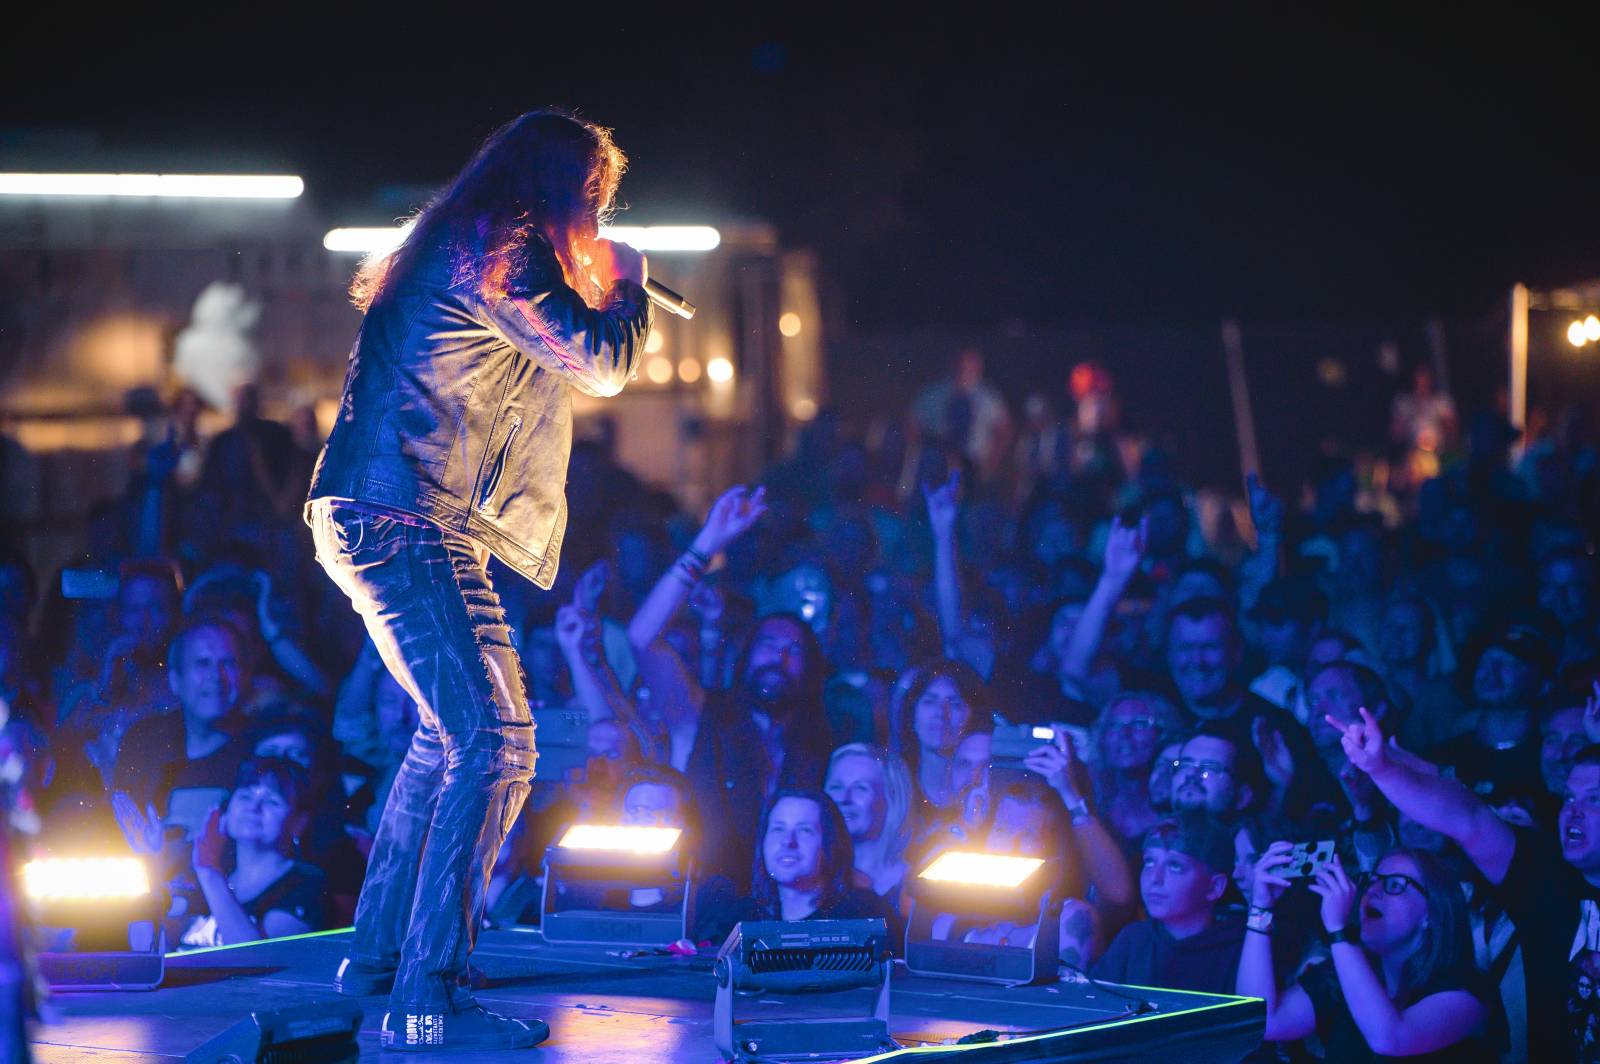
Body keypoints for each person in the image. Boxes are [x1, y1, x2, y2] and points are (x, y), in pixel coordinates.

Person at [307, 109, 651, 1051]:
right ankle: (432, 992)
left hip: (386, 512)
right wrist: (628, 286)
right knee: (496, 741)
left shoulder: (468, 238)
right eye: (596, 197)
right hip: (408, 516)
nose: (599, 214)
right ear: (564, 188)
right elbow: (601, 361)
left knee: (447, 734)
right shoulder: (501, 247)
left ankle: (380, 961)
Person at [1334, 702, 1600, 1061]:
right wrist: (1381, 769)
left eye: (1594, 799)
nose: (1574, 810)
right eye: (1569, 797)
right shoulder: (1549, 880)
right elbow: (1466, 815)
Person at [1239, 839, 1494, 1062]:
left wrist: (1338, 929)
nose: (1373, 891)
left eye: (1394, 884)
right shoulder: (1346, 977)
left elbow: (1390, 1038)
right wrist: (1261, 908)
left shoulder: (1467, 990)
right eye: (1371, 880)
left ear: (1431, 913)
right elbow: (1264, 1021)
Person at [111, 617, 248, 851]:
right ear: (175, 680)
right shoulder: (143, 742)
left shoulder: (260, 748)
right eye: (203, 663)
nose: (216, 675)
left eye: (228, 663)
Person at [167, 757, 328, 950]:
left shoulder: (305, 886)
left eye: (272, 801)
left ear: (299, 821)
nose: (253, 807)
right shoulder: (206, 877)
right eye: (245, 796)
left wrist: (209, 872)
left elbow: (256, 961)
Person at [695, 790, 892, 945]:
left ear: (830, 844)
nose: (788, 842)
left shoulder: (863, 915)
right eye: (778, 829)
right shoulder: (739, 917)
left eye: (805, 830)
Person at [1093, 813, 1244, 994]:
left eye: (1175, 866)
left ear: (1214, 887)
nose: (1155, 878)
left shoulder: (1239, 951)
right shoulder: (1133, 940)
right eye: (1149, 862)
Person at [823, 743, 914, 900]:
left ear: (890, 799)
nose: (844, 798)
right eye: (836, 787)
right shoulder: (811, 881)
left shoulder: (914, 884)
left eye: (860, 788)